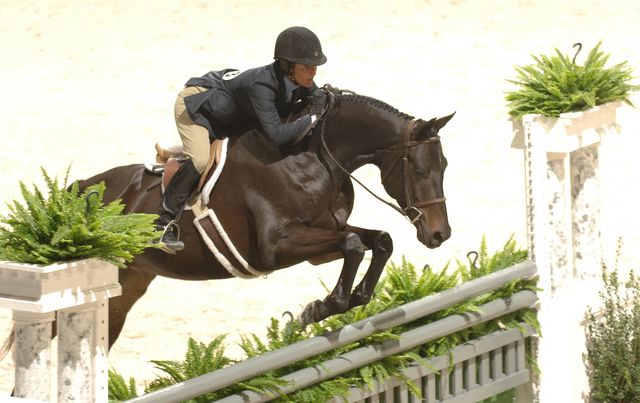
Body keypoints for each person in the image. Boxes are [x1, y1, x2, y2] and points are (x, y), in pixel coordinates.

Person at [157, 26, 328, 252]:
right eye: (307, 67)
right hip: (197, 104)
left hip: (229, 112)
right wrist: (310, 119)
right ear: (288, 66)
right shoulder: (262, 86)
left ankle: (202, 142)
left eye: (315, 67)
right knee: (199, 161)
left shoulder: (299, 82)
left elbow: (316, 97)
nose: (313, 72)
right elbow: (277, 135)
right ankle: (161, 225)